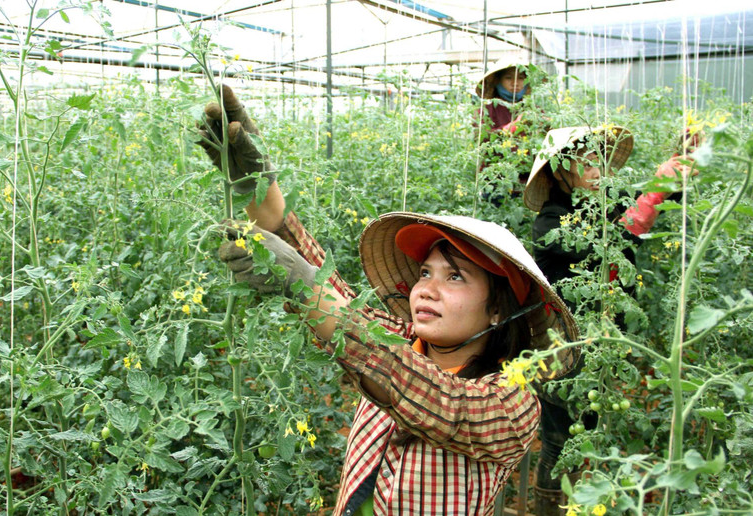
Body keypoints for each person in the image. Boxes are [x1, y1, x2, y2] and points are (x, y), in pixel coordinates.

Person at [198, 85, 581, 515]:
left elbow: (430, 393)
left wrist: (302, 284)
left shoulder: (510, 401)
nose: (426, 290)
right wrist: (259, 186)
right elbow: (332, 291)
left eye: (455, 277)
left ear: (497, 308)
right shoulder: (400, 338)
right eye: (424, 273)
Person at [522, 125, 697, 514]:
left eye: (600, 159)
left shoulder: (608, 206)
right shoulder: (549, 225)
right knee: (558, 440)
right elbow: (622, 235)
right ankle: (548, 508)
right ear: (560, 172)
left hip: (598, 345)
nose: (597, 168)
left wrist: (678, 162)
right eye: (585, 161)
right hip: (558, 349)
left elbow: (649, 208)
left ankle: (585, 502)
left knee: (590, 427)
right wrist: (656, 187)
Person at [474, 56, 545, 201]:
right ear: (497, 81)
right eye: (508, 78)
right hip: (496, 182)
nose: (515, 83)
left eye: (521, 78)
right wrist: (513, 127)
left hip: (527, 182)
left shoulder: (533, 109)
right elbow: (482, 141)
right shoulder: (487, 109)